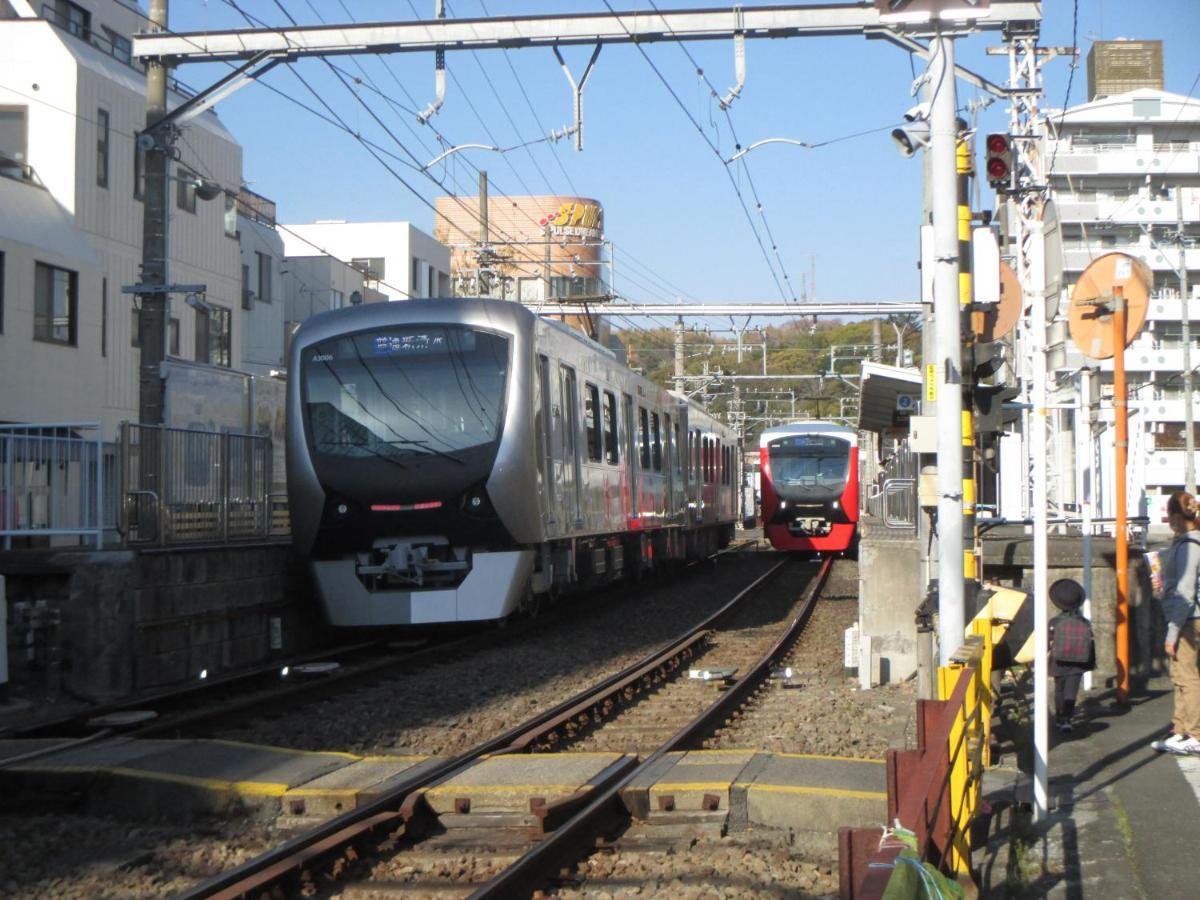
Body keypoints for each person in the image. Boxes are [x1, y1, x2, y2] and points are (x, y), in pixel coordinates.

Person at [1151, 490, 1200, 756]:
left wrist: (1172, 632)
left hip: (1188, 619)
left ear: (1176, 517)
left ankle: (1194, 733)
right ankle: (1181, 730)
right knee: (1180, 675)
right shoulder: (1188, 542)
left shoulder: (1190, 545)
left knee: (1187, 677)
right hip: (1189, 617)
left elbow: (1185, 590)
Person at [1048, 578, 1095, 733]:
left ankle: (1060, 717)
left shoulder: (1054, 621)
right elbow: (1090, 641)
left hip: (1058, 661)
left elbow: (1047, 641)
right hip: (1079, 661)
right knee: (1071, 690)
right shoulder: (1085, 622)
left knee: (1059, 689)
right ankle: (1067, 719)